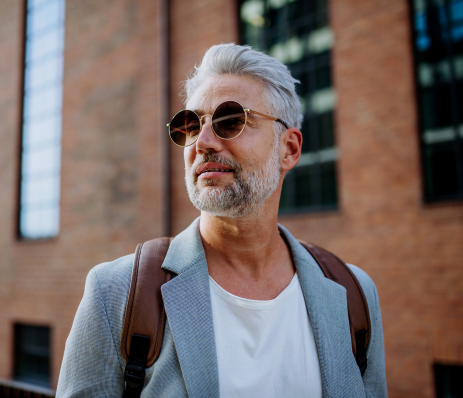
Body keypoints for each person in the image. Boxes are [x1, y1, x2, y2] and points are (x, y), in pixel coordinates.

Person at [56, 43, 387, 398]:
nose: (204, 142)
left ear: (288, 149)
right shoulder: (114, 294)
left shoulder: (356, 295)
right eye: (190, 125)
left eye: (230, 120)